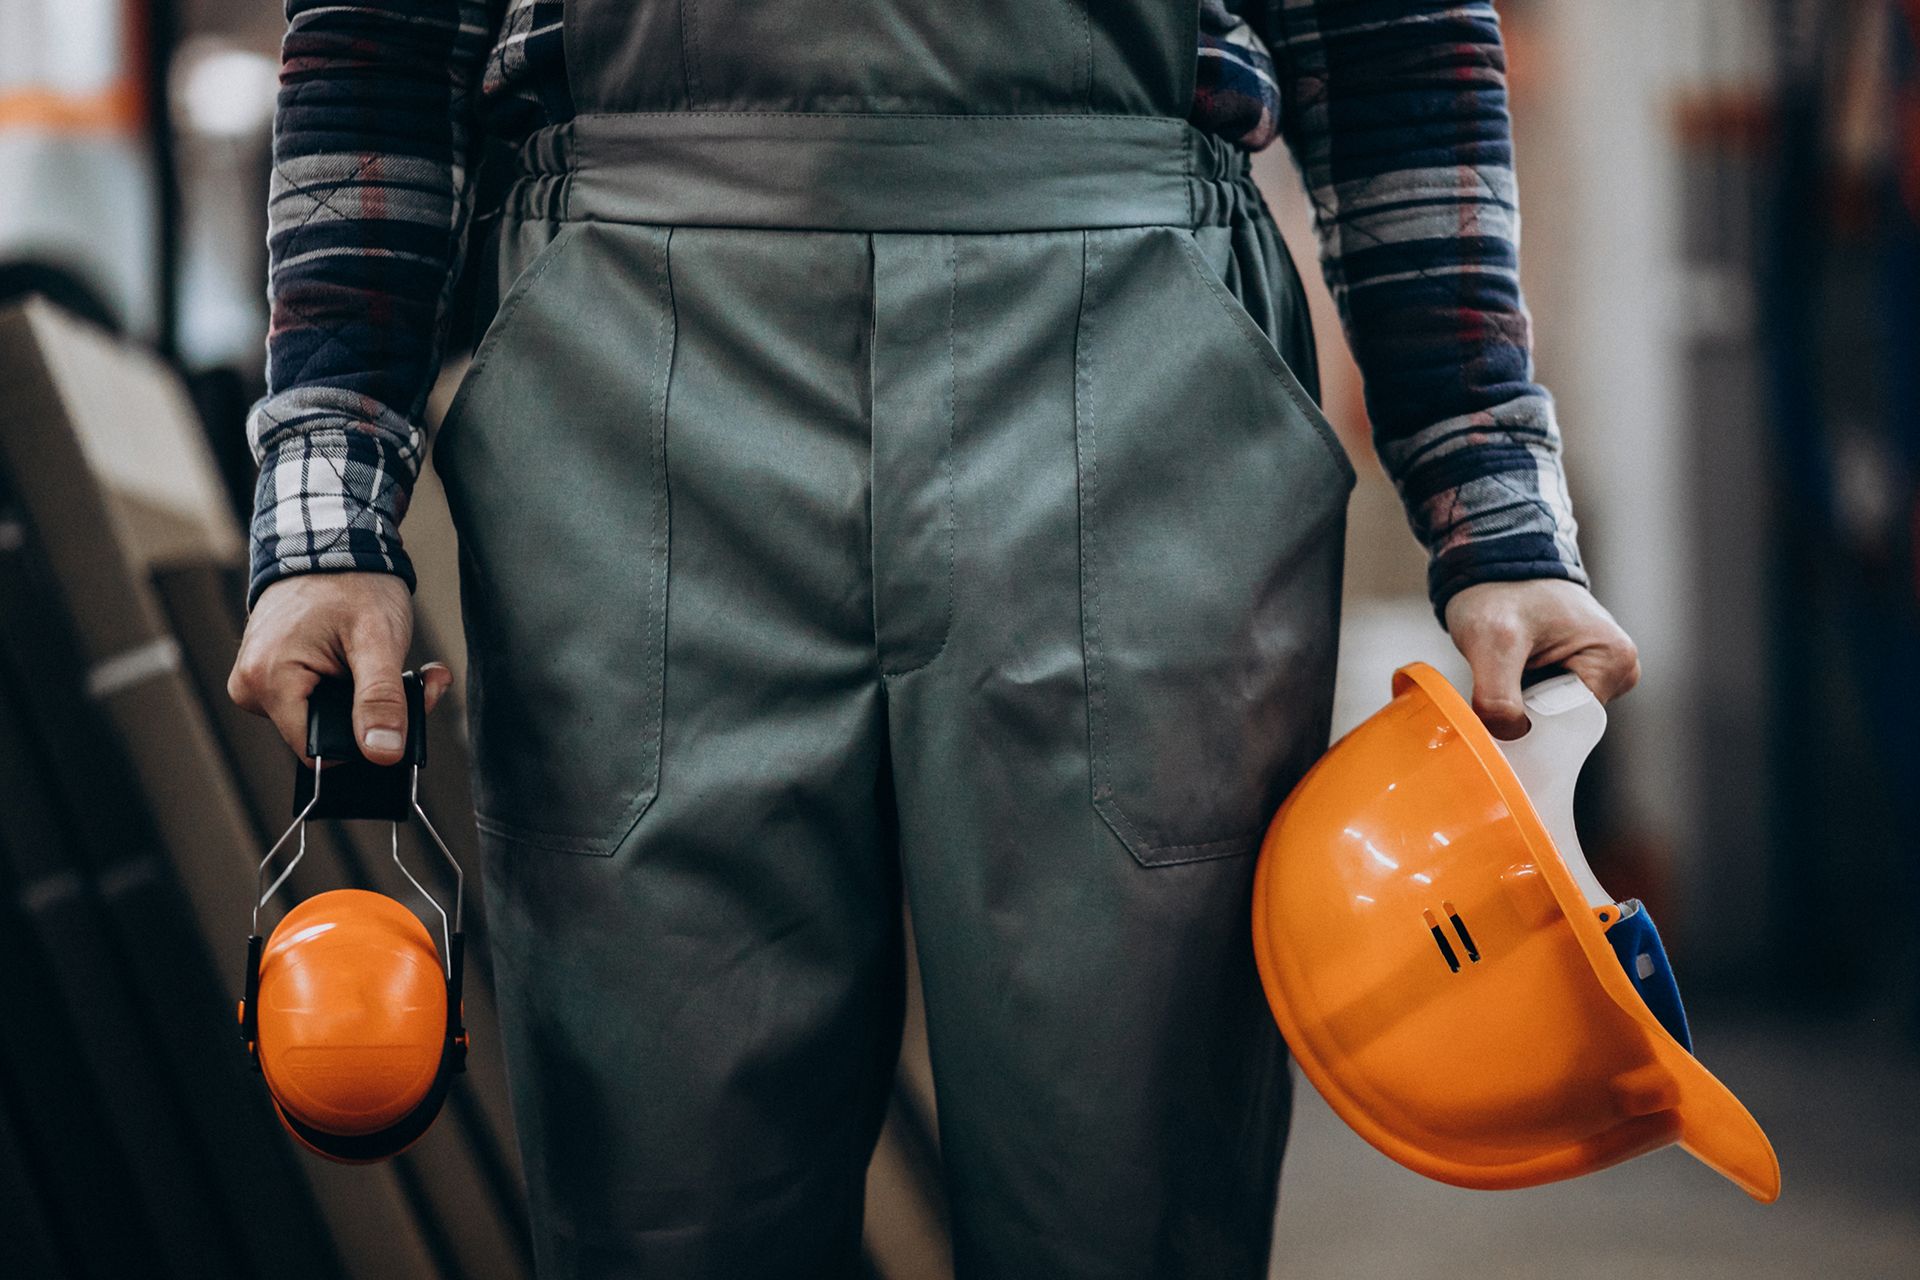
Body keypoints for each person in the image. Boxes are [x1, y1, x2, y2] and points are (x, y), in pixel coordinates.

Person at [229, 1, 1639, 1275]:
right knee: (666, 1205)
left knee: (1131, 1200)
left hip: (1131, 368)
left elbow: (1393, 38)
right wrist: (327, 506)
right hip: (634, 388)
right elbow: (383, 32)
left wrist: (1493, 503)